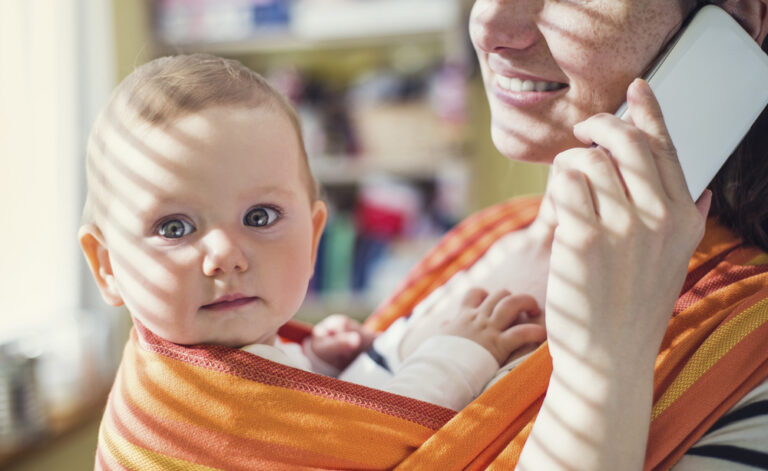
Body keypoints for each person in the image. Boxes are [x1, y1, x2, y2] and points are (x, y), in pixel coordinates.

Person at [349, 0, 768, 469]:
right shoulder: (484, 236)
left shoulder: (748, 350)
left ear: (737, 20)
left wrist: (604, 365)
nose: (489, 25)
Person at [77, 53, 547, 412]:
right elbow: (384, 431)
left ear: (315, 235)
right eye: (174, 227)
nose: (226, 256)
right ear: (107, 267)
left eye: (260, 217)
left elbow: (301, 419)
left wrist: (316, 367)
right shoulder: (202, 404)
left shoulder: (225, 357)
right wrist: (461, 349)